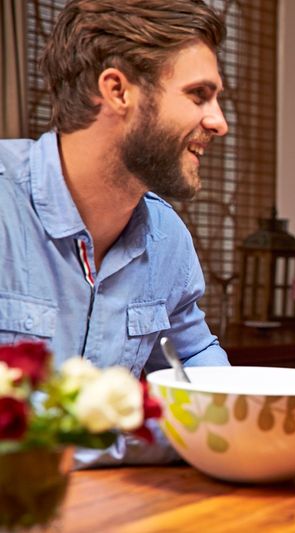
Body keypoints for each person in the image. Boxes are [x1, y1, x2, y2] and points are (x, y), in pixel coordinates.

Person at [0, 0, 230, 466]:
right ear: (117, 90)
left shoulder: (168, 239)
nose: (219, 122)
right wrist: (161, 438)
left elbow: (208, 392)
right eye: (198, 95)